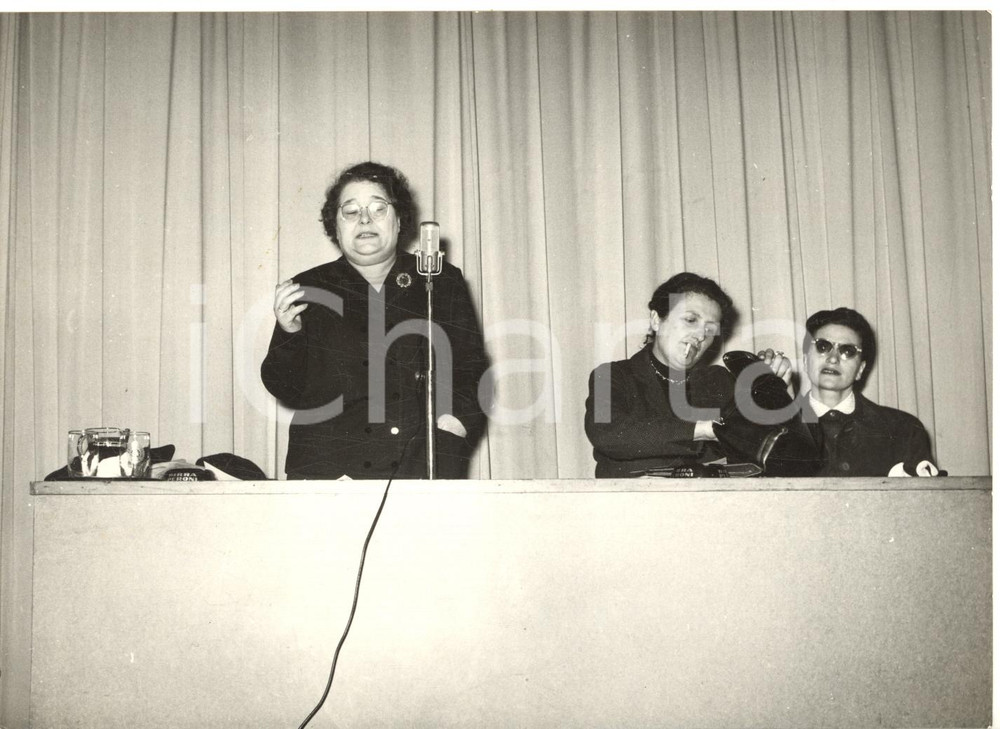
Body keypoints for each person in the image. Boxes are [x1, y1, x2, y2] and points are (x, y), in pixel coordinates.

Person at [260, 162, 490, 479]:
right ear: (335, 226)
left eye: (378, 209)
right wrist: (291, 334)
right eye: (351, 211)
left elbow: (471, 368)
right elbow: (285, 388)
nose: (365, 219)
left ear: (399, 219)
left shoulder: (440, 280)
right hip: (327, 472)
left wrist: (454, 426)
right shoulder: (307, 288)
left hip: (422, 464)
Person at [584, 272, 796, 478]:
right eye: (691, 320)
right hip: (633, 500)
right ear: (656, 320)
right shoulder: (609, 375)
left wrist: (775, 392)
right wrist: (703, 430)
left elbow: (779, 452)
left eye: (710, 330)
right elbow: (606, 433)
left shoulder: (720, 381)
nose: (701, 335)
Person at [799, 307, 938, 477]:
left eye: (847, 351)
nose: (833, 358)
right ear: (805, 360)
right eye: (822, 346)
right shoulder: (779, 427)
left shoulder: (904, 430)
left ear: (860, 369)